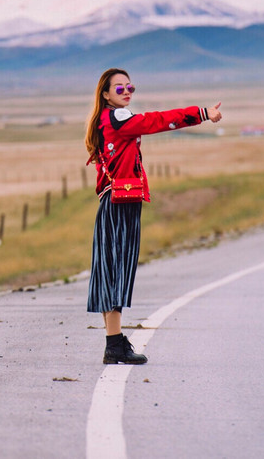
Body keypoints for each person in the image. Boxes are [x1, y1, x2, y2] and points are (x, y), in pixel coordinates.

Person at [84, 67, 222, 364]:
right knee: (117, 271)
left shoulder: (106, 119)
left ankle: (114, 343)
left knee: (112, 270)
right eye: (119, 88)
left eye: (130, 87)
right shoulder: (119, 119)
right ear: (106, 94)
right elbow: (159, 120)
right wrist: (201, 113)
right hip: (120, 205)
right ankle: (114, 344)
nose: (127, 92)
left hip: (114, 203)